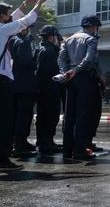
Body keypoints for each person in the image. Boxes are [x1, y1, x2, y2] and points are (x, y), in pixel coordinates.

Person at [0, 0, 45, 171]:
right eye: (7, 13)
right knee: (5, 122)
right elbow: (24, 21)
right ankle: (2, 160)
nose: (10, 15)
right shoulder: (3, 30)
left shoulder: (3, 28)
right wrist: (39, 4)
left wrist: (26, 4)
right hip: (1, 81)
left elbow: (15, 19)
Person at [58, 14, 102, 160]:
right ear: (93, 27)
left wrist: (66, 72)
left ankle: (67, 150)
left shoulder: (69, 39)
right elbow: (89, 60)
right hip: (84, 78)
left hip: (70, 79)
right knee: (83, 115)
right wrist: (76, 70)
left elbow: (61, 58)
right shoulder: (91, 39)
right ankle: (80, 150)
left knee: (69, 114)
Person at [9, 25, 39, 158]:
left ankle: (19, 142)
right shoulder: (23, 42)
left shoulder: (11, 39)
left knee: (17, 115)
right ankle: (20, 144)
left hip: (14, 84)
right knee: (24, 115)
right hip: (25, 84)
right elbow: (26, 62)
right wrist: (35, 62)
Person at [35, 25, 64, 154]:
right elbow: (53, 71)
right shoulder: (51, 51)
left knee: (42, 117)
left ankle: (42, 141)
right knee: (51, 116)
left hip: (41, 89)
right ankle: (47, 142)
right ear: (51, 37)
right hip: (51, 89)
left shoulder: (39, 48)